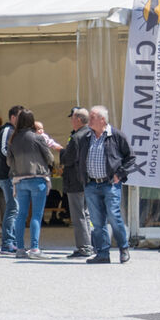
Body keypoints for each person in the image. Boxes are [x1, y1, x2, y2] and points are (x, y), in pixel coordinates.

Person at [75, 105, 135, 264]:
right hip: (91, 185)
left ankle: (123, 248)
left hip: (110, 184)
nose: (90, 120)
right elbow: (79, 158)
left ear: (102, 120)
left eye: (93, 117)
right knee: (97, 221)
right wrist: (83, 177)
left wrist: (119, 174)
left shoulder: (116, 135)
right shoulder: (86, 137)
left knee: (114, 216)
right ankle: (102, 253)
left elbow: (131, 158)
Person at [5, 110, 54, 257]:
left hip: (20, 179)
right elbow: (50, 158)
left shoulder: (13, 139)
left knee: (21, 215)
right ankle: (34, 248)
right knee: (36, 216)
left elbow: (9, 161)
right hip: (37, 177)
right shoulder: (37, 138)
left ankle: (20, 248)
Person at [57, 107, 95, 258]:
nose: (71, 121)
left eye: (72, 118)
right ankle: (89, 245)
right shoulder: (92, 134)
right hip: (88, 179)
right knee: (85, 214)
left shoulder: (76, 137)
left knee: (78, 214)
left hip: (75, 180)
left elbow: (68, 159)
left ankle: (84, 247)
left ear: (78, 120)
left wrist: (60, 150)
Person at [0, 106, 24, 253]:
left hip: (13, 174)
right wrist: (18, 158)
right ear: (13, 118)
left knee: (14, 208)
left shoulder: (15, 131)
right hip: (7, 175)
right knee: (12, 208)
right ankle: (8, 242)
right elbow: (4, 150)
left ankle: (12, 240)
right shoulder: (7, 130)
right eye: (20, 117)